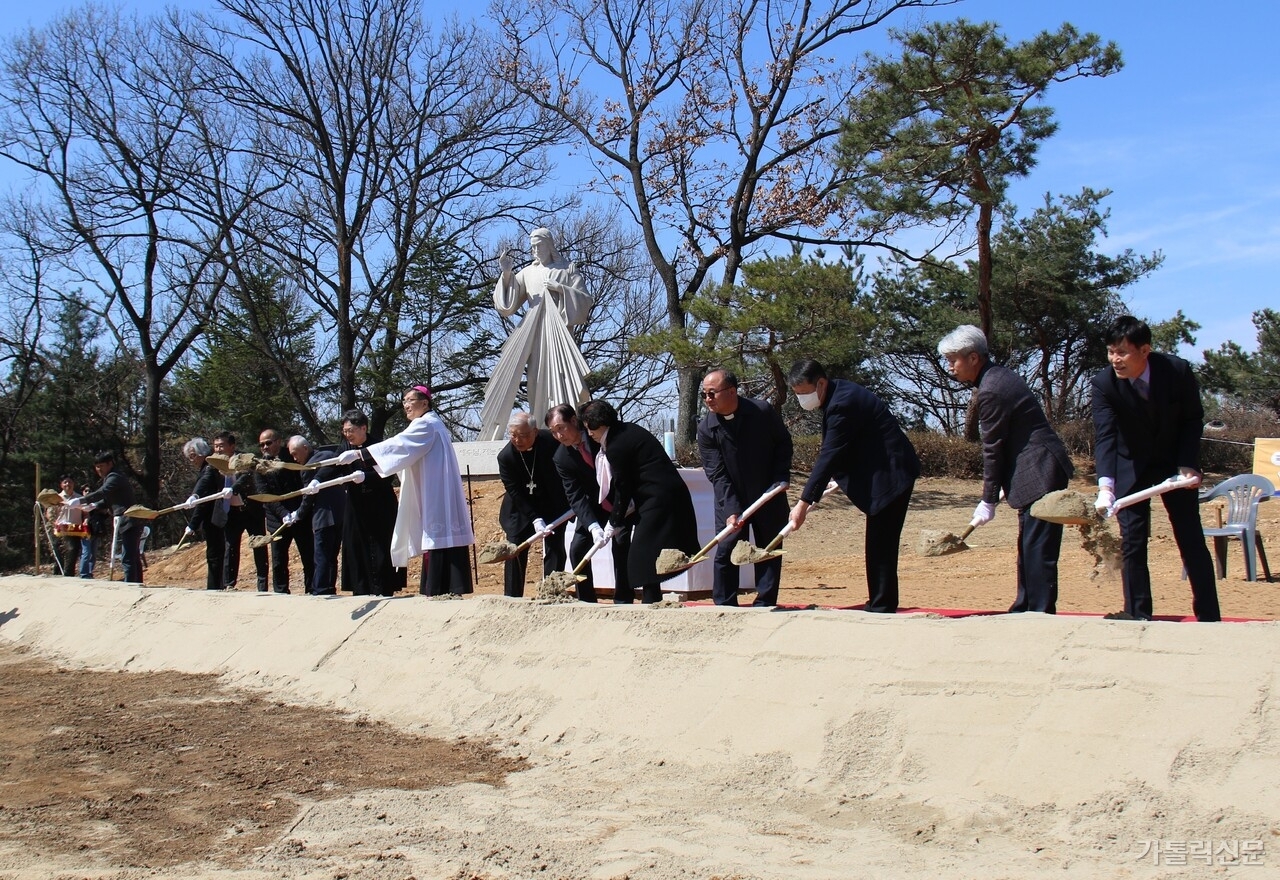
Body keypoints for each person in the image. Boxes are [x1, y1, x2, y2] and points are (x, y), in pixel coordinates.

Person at [1091, 315, 1219, 622]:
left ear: (1144, 350)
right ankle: (1138, 615)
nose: (1115, 359)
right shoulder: (1104, 384)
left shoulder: (1176, 371)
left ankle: (1209, 616)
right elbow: (1106, 436)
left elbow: (1191, 419)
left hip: (1175, 465)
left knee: (1190, 537)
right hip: (1131, 467)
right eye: (1110, 351)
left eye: (1121, 352)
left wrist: (1187, 465)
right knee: (1133, 541)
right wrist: (1106, 488)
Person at [937, 325, 1074, 613]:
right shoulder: (994, 379)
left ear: (973, 358)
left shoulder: (992, 390)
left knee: (1038, 549)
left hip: (1040, 469)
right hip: (1032, 469)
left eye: (954, 360)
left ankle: (1040, 612)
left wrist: (987, 499)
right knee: (1028, 545)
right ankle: (1024, 605)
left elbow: (993, 448)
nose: (950, 367)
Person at [786, 359, 919, 614]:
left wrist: (803, 502)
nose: (803, 400)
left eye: (805, 393)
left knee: (881, 543)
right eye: (798, 395)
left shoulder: (842, 403)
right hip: (880, 471)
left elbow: (829, 454)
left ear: (821, 383)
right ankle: (880, 600)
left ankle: (883, 604)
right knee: (878, 542)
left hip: (891, 474)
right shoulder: (838, 394)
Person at [337, 385, 474, 596]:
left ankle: (440, 586)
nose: (406, 405)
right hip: (434, 486)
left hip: (435, 490)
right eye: (403, 402)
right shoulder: (432, 423)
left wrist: (359, 455)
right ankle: (442, 586)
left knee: (437, 531)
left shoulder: (426, 424)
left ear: (425, 402)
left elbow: (399, 445)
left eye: (410, 400)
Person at [477, 228, 593, 441]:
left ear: (549, 245)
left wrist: (560, 288)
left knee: (562, 377)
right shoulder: (527, 273)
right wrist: (506, 274)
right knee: (536, 381)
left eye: (539, 245)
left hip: (559, 338)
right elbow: (507, 306)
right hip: (535, 337)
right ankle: (541, 426)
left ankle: (565, 426)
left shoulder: (567, 269)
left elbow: (585, 301)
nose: (535, 250)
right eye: (532, 247)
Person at [579, 399, 699, 604]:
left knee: (643, 552)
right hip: (652, 496)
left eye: (589, 428)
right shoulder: (624, 432)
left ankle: (651, 600)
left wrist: (613, 522)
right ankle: (652, 597)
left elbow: (623, 487)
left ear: (599, 424)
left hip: (660, 496)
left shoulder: (617, 444)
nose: (589, 434)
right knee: (646, 552)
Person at [696, 369, 793, 606]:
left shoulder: (762, 411)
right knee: (726, 548)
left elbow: (783, 443)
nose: (708, 399)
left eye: (712, 393)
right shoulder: (706, 428)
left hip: (767, 492)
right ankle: (725, 603)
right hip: (731, 496)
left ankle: (765, 602)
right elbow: (717, 473)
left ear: (731, 391)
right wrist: (731, 508)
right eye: (703, 395)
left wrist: (780, 477)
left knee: (768, 548)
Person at [545, 403, 631, 603]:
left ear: (574, 421)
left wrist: (617, 515)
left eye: (561, 428)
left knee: (621, 544)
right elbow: (574, 495)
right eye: (553, 432)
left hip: (620, 501)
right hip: (593, 507)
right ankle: (586, 601)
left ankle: (623, 599)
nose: (559, 436)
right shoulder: (561, 457)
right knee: (577, 549)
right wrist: (592, 527)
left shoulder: (597, 435)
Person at [496, 412, 571, 597]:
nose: (518, 440)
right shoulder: (506, 457)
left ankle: (552, 593)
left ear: (535, 431)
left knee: (555, 548)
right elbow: (515, 492)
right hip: (520, 507)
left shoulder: (552, 441)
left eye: (523, 435)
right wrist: (535, 518)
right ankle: (512, 597)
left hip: (552, 502)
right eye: (513, 435)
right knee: (515, 548)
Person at [336, 410, 404, 597]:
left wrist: (367, 476)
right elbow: (332, 469)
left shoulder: (378, 446)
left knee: (381, 545)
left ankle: (384, 587)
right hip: (356, 505)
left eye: (350, 430)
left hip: (380, 503)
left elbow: (388, 472)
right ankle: (361, 588)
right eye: (345, 431)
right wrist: (316, 480)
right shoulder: (344, 448)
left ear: (363, 428)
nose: (347, 435)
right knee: (356, 545)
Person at [254, 428, 313, 594]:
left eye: (268, 443)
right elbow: (265, 495)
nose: (265, 447)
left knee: (308, 556)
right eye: (261, 445)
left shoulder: (291, 458)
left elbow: (303, 484)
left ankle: (312, 589)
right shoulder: (260, 467)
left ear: (278, 441)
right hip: (277, 520)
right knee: (279, 560)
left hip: (300, 517)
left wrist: (299, 511)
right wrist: (283, 514)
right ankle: (281, 591)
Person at [286, 436, 344, 596]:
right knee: (332, 556)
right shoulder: (326, 455)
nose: (295, 458)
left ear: (305, 448)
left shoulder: (309, 466)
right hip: (340, 515)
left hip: (324, 516)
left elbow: (308, 496)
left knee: (322, 556)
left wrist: (298, 514)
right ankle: (329, 588)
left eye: (295, 454)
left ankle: (321, 590)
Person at [72, 451, 143, 584]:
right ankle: (136, 583)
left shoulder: (115, 477)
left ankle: (132, 585)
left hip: (130, 519)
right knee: (132, 556)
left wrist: (81, 501)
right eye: (97, 466)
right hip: (125, 520)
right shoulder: (110, 477)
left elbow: (102, 492)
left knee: (128, 557)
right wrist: (94, 505)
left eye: (101, 466)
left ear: (110, 464)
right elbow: (108, 499)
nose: (99, 469)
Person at [213, 431, 267, 591]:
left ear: (232, 446)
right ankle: (229, 584)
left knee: (259, 545)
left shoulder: (244, 458)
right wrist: (195, 495)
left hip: (251, 510)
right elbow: (205, 481)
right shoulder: (214, 463)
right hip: (231, 512)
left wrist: (233, 488)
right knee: (230, 546)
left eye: (221, 446)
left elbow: (247, 475)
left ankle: (262, 585)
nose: (218, 449)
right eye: (216, 446)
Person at [182, 437, 229, 591]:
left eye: (193, 455)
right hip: (211, 517)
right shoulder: (207, 468)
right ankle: (215, 586)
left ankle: (215, 588)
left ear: (202, 453)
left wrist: (193, 523)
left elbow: (203, 497)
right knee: (213, 555)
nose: (191, 460)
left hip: (214, 518)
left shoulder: (209, 468)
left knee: (215, 555)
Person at [49, 475, 88, 578]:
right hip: (59, 530)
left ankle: (68, 575)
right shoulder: (56, 498)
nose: (68, 484)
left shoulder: (80, 498)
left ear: (73, 484)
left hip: (75, 530)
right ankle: (57, 574)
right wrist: (54, 522)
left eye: (70, 482)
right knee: (59, 554)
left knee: (72, 551)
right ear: (61, 485)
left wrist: (86, 521)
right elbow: (49, 513)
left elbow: (86, 512)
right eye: (65, 482)